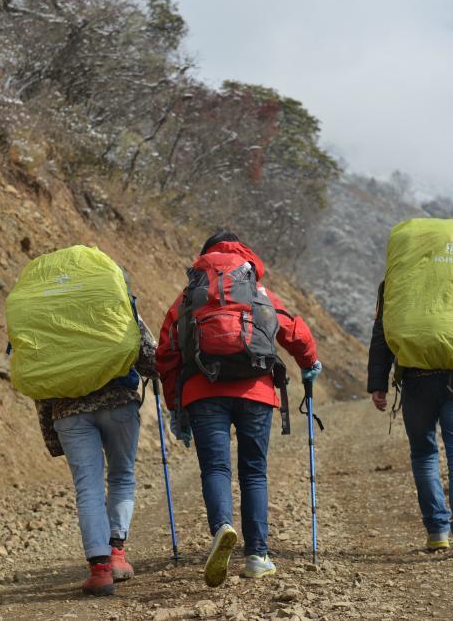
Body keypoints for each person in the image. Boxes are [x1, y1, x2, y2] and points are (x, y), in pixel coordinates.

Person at [157, 231, 322, 586]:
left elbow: (167, 350)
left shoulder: (190, 294)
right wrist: (309, 363)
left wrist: (176, 407)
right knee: (253, 472)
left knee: (215, 467)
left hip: (203, 391)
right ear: (244, 253)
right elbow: (292, 328)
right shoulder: (255, 287)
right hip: (256, 390)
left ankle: (222, 528)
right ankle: (258, 555)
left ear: (205, 257)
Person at [34, 298, 158, 596]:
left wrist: (51, 434)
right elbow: (150, 356)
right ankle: (117, 553)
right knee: (122, 476)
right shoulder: (114, 301)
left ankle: (100, 570)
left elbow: (39, 378)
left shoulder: (47, 316)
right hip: (118, 403)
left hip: (68, 410)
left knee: (87, 487)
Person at [367, 281, 453, 557]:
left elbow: (383, 330)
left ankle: (437, 532)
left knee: (423, 453)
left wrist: (378, 382)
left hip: (416, 377)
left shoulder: (401, 275)